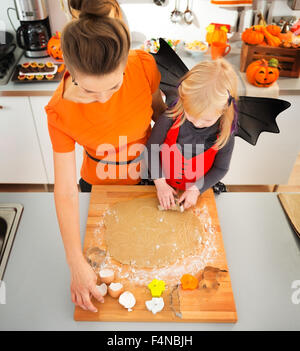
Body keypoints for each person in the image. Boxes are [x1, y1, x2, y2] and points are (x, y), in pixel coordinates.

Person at [45, 0, 166, 313]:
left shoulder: (143, 66)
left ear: (125, 62)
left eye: (113, 86)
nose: (102, 99)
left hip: (149, 180)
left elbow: (161, 118)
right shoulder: (59, 112)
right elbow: (66, 191)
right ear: (70, 71)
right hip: (96, 189)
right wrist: (74, 263)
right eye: (88, 91)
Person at [145, 58, 238, 210]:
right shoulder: (170, 117)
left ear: (223, 109)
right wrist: (160, 183)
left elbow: (221, 168)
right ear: (183, 99)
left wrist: (196, 189)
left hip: (198, 187)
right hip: (161, 180)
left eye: (207, 120)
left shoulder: (225, 133)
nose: (198, 123)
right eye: (191, 115)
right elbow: (151, 150)